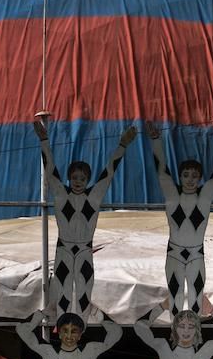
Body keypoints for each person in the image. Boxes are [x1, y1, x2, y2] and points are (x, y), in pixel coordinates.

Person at [35, 118, 137, 317]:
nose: (78, 182)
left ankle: (80, 331)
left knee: (83, 292)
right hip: (64, 249)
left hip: (84, 250)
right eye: (74, 178)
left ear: (88, 180)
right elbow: (50, 170)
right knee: (62, 290)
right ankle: (60, 328)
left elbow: (109, 172)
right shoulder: (61, 194)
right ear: (69, 178)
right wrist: (44, 141)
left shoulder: (94, 196)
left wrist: (123, 145)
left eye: (82, 179)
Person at [146, 121, 213, 312]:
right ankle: (176, 339)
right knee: (175, 298)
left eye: (194, 176)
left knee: (196, 303)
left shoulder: (204, 196)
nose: (190, 179)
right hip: (174, 255)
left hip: (196, 255)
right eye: (186, 175)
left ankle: (194, 340)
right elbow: (162, 170)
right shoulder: (172, 194)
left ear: (200, 179)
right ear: (180, 177)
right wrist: (156, 140)